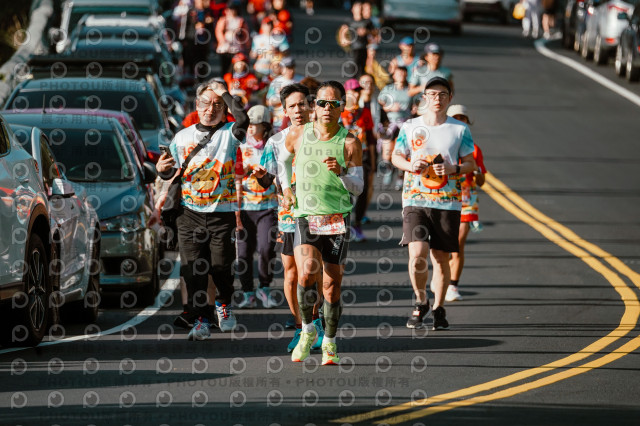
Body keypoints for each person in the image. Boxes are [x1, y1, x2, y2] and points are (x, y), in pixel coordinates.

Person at [156, 80, 249, 340]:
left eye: (217, 105)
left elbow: (243, 119)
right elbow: (170, 171)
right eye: (206, 103)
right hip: (189, 214)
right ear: (197, 105)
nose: (211, 109)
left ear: (225, 109)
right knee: (192, 270)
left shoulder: (229, 133)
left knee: (221, 267)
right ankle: (200, 320)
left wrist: (224, 93)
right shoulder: (182, 137)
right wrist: (162, 170)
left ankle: (223, 304)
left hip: (222, 213)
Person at [280, 81, 364, 365]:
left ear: (343, 107)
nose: (327, 108)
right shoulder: (298, 134)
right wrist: (287, 188)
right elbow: (283, 161)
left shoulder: (350, 142)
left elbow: (359, 187)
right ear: (313, 106)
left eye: (334, 103)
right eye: (322, 103)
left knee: (331, 285)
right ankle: (307, 330)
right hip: (306, 215)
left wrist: (341, 173)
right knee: (306, 274)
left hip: (336, 217)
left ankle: (329, 342)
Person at [391, 77, 476, 331]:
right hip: (415, 199)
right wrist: (410, 165)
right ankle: (421, 300)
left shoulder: (459, 129)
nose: (437, 99)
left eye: (442, 94)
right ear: (424, 98)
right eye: (432, 94)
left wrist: (453, 168)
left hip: (447, 202)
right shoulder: (410, 126)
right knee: (417, 254)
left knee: (440, 258)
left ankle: (439, 307)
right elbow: (396, 156)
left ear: (450, 98)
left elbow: (471, 164)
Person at [252, 83, 325, 352]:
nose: (298, 110)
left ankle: (315, 322)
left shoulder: (323, 136)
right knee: (292, 273)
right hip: (288, 215)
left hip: (317, 211)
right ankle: (300, 327)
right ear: (284, 111)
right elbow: (266, 181)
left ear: (310, 106)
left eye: (302, 104)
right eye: (292, 106)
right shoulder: (275, 141)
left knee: (311, 270)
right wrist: (261, 177)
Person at [236, 105, 279, 309]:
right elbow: (232, 176)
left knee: (266, 248)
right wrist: (241, 171)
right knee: (243, 253)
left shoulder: (274, 145)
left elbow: (280, 173)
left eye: (256, 124)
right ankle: (247, 293)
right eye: (249, 124)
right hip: (244, 207)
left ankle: (264, 287)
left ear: (265, 126)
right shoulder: (240, 146)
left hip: (268, 206)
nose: (251, 128)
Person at [446, 105, 486, 302]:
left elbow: (482, 181)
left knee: (458, 243)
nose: (459, 121)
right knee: (444, 245)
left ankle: (453, 285)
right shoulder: (443, 145)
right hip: (443, 197)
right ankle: (442, 276)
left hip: (467, 199)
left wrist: (477, 171)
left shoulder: (474, 149)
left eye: (463, 118)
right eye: (456, 118)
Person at [341, 78, 375, 242]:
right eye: (352, 91)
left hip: (363, 155)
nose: (355, 94)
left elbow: (371, 137)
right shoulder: (339, 112)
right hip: (344, 156)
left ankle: (357, 224)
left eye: (358, 91)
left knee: (362, 190)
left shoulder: (364, 112)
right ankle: (344, 225)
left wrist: (373, 162)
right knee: (344, 190)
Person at [379, 65, 412, 190]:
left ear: (406, 75)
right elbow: (381, 102)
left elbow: (418, 101)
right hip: (391, 123)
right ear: (394, 75)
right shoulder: (388, 89)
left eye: (403, 73)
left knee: (401, 150)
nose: (401, 76)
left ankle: (400, 176)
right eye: (398, 73)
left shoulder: (410, 89)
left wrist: (415, 108)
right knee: (387, 152)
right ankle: (388, 171)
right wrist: (390, 107)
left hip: (405, 123)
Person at [266, 56, 301, 131]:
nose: (291, 71)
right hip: (279, 121)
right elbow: (268, 102)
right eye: (288, 68)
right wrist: (283, 98)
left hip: (297, 120)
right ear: (282, 69)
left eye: (292, 67)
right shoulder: (276, 82)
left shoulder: (301, 80)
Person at [337, 1, 372, 77]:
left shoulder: (367, 21)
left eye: (360, 8)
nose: (359, 10)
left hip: (364, 47)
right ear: (352, 9)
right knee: (353, 69)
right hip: (353, 48)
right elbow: (343, 30)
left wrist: (366, 31)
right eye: (357, 8)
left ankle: (361, 82)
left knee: (363, 69)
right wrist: (343, 39)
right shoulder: (349, 21)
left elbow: (374, 32)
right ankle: (353, 83)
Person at [215, 4, 251, 75]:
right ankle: (225, 78)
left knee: (233, 65)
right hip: (225, 46)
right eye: (229, 10)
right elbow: (218, 31)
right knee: (225, 65)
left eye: (232, 10)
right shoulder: (223, 20)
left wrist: (247, 45)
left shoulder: (240, 20)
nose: (230, 12)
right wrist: (222, 40)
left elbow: (245, 34)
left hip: (236, 46)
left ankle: (231, 78)